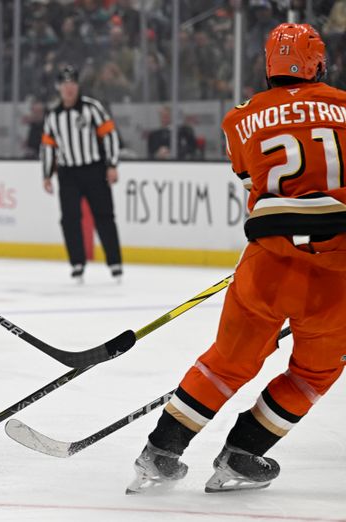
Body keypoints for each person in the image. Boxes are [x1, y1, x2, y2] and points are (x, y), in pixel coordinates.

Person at [127, 23, 346, 494]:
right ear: (319, 62)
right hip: (338, 271)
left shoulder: (239, 118)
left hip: (268, 261)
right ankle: (243, 455)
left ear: (268, 65)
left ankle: (159, 453)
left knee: (226, 362)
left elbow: (255, 182)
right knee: (314, 372)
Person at [40, 65, 123, 282]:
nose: (69, 88)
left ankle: (115, 262)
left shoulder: (91, 108)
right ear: (59, 88)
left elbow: (109, 134)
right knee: (69, 219)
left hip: (94, 169)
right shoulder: (53, 116)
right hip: (68, 173)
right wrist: (47, 175)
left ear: (78, 86)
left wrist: (112, 164)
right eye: (65, 84)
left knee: (104, 216)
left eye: (73, 83)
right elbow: (48, 146)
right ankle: (77, 263)